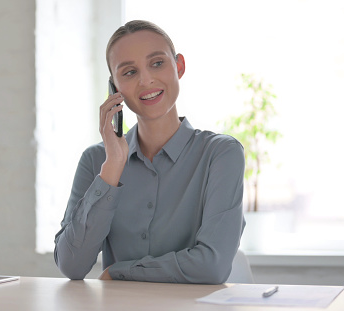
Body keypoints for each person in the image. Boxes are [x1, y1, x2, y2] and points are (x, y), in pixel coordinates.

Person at [54, 20, 245, 284]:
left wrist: (121, 272)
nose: (146, 80)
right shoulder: (97, 160)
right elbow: (71, 266)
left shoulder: (221, 154)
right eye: (129, 72)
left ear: (179, 67)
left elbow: (212, 266)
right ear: (115, 88)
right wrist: (113, 168)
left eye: (157, 63)